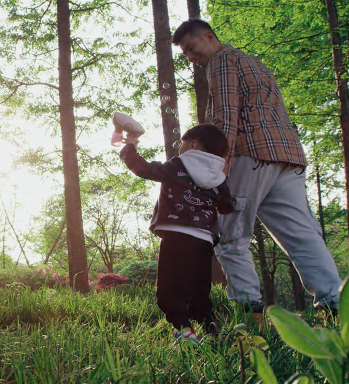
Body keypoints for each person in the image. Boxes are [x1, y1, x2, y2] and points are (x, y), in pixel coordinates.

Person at [172, 19, 342, 315]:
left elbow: (226, 116)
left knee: (231, 236)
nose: (191, 57)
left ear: (209, 37)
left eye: (191, 47)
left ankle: (249, 311)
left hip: (249, 156)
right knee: (302, 236)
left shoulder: (221, 61)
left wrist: (216, 167)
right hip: (286, 158)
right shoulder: (254, 62)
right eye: (185, 53)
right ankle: (337, 305)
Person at [119, 123, 235, 342]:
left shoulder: (177, 165)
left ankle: (184, 331)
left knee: (170, 289)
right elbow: (227, 206)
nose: (179, 148)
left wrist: (130, 146)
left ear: (193, 143)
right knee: (199, 289)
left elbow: (143, 168)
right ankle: (212, 331)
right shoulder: (220, 178)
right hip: (204, 240)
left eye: (182, 143)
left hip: (176, 236)